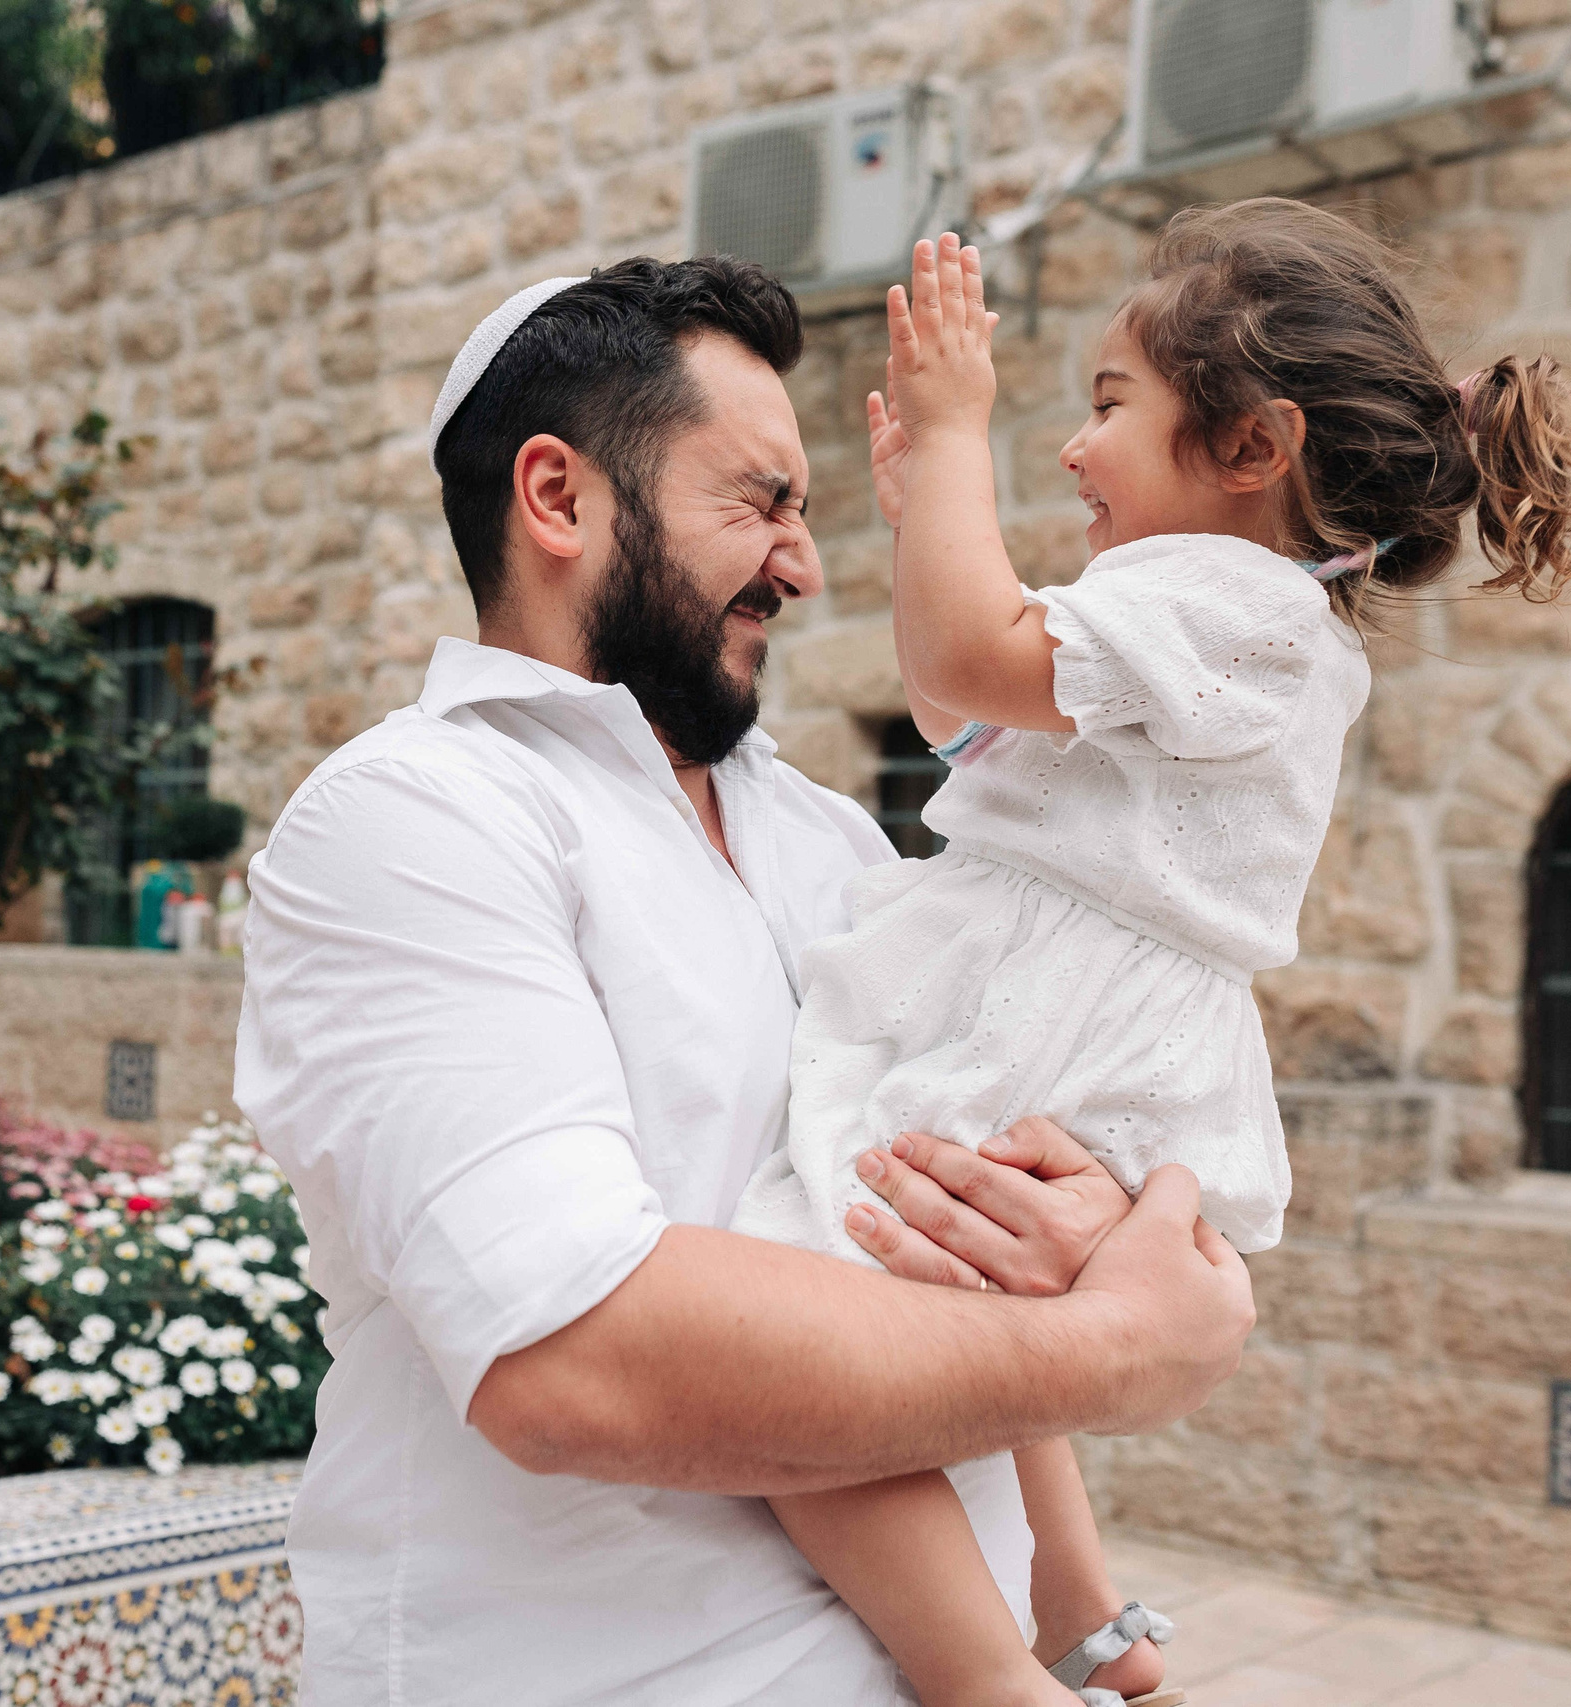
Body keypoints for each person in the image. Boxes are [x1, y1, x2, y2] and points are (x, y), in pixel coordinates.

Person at [234, 255, 1256, 1706]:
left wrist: (1073, 1232)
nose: (805, 563)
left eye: (806, 512)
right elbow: (570, 1357)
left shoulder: (831, 838)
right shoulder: (415, 819)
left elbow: (940, 1220)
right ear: (558, 498)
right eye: (760, 503)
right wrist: (1112, 1346)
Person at [734, 202, 1571, 1707]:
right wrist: (922, 522)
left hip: (1059, 1004)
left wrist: (954, 434)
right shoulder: (1247, 619)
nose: (1074, 449)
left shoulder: (1230, 606)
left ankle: (985, 1679)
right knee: (978, 1299)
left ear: (1250, 447)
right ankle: (1079, 1606)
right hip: (1083, 1003)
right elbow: (978, 729)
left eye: (1108, 406)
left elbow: (964, 658)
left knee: (808, 1337)